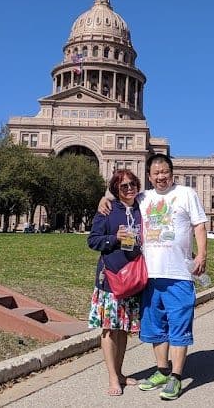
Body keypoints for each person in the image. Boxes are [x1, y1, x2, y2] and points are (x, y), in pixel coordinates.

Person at [99, 153, 208, 400]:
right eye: (156, 173)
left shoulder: (186, 194)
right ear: (149, 177)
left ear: (172, 173)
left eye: (165, 171)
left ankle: (176, 377)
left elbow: (199, 225)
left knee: (179, 326)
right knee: (155, 327)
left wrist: (201, 254)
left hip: (179, 273)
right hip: (149, 275)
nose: (161, 176)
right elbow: (118, 195)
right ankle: (161, 370)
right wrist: (103, 199)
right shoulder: (143, 197)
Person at [87, 169, 143, 396]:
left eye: (132, 184)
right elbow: (93, 240)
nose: (129, 189)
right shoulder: (107, 210)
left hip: (133, 279)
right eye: (123, 186)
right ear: (115, 190)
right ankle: (112, 378)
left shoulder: (142, 209)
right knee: (109, 329)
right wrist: (114, 239)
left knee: (123, 330)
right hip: (110, 278)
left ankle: (120, 372)